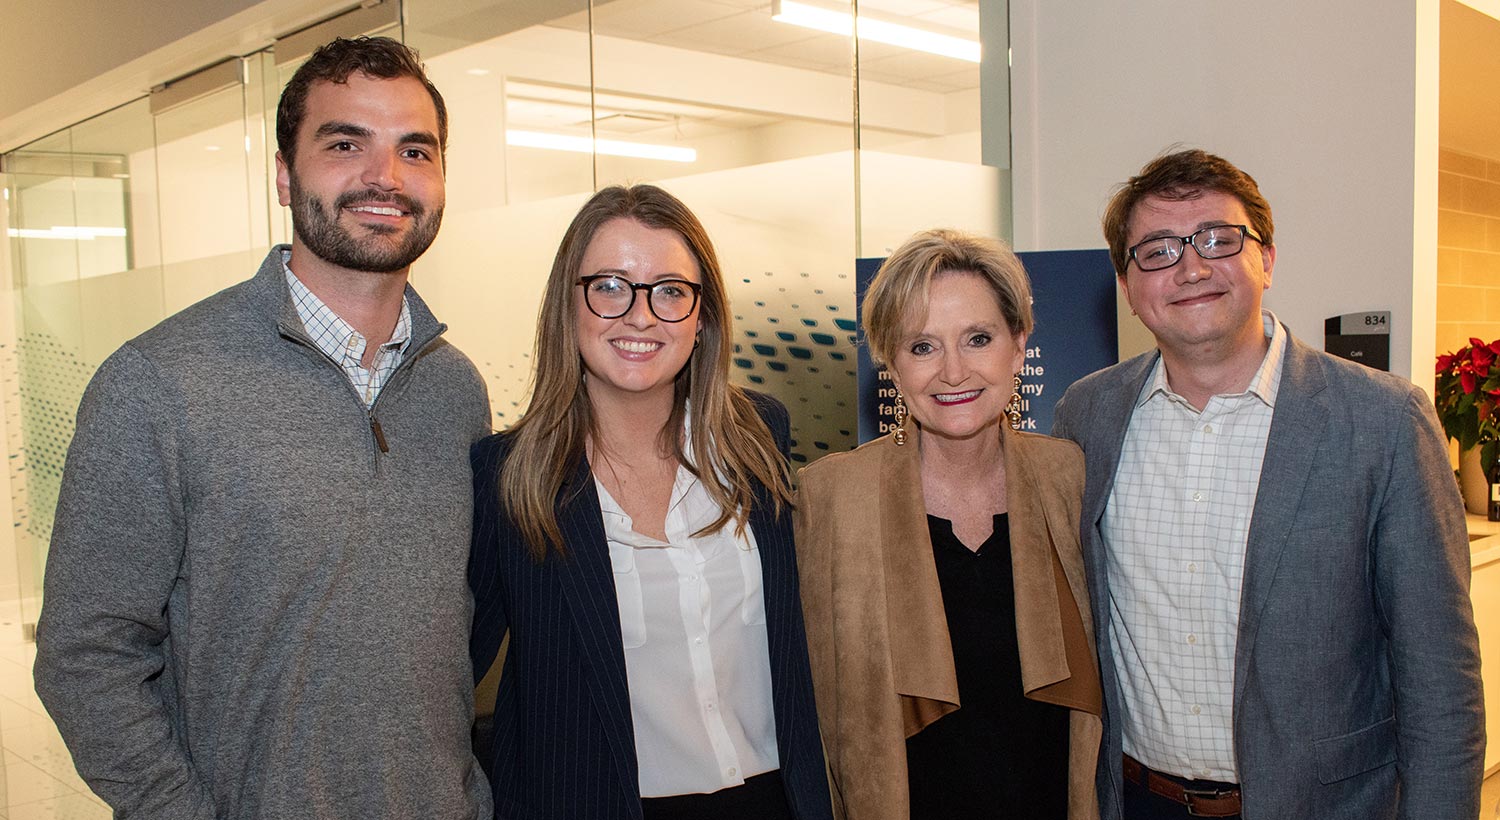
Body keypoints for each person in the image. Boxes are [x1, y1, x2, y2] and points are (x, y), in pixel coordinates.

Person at [33, 37, 492, 820]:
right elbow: (85, 656)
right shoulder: (157, 384)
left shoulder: (455, 390)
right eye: (346, 143)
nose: (385, 176)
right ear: (285, 174)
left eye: (415, 150)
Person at [1053, 149, 1484, 820]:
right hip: (1138, 802)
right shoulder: (1087, 415)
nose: (1192, 267)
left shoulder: (1383, 420)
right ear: (1129, 286)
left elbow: (1441, 682)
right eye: (1158, 251)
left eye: (1220, 240)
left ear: (1268, 260)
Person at [468, 183, 833, 820]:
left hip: (775, 800)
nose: (640, 316)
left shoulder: (758, 437)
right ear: (568, 305)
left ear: (702, 316)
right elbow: (444, 683)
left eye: (670, 290)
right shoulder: (509, 478)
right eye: (610, 286)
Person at [795, 229, 1104, 820]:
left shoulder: (1070, 478)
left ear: (1018, 346)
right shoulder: (828, 497)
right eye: (922, 347)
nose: (953, 372)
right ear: (889, 361)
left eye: (978, 339)